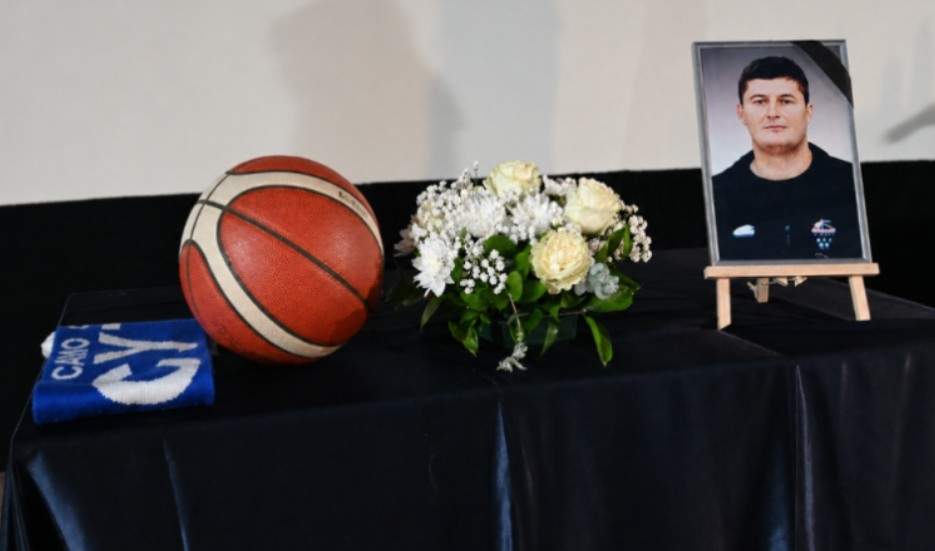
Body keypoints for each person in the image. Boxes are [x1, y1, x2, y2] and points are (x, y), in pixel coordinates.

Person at [712, 55, 862, 261]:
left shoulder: (852, 183)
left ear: (808, 112)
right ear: (741, 113)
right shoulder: (718, 193)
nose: (772, 113)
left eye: (786, 101)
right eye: (760, 101)